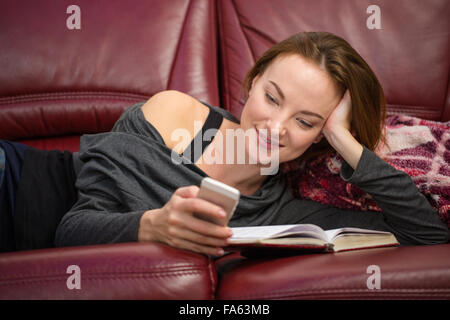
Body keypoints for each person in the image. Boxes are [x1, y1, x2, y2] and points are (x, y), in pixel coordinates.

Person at [1, 32, 448, 254]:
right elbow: (72, 228)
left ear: (319, 137)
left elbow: (428, 235)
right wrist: (153, 226)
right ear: (251, 83)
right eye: (272, 98)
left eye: (306, 121)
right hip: (17, 182)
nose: (275, 127)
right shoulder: (178, 119)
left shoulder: (283, 211)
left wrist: (345, 141)